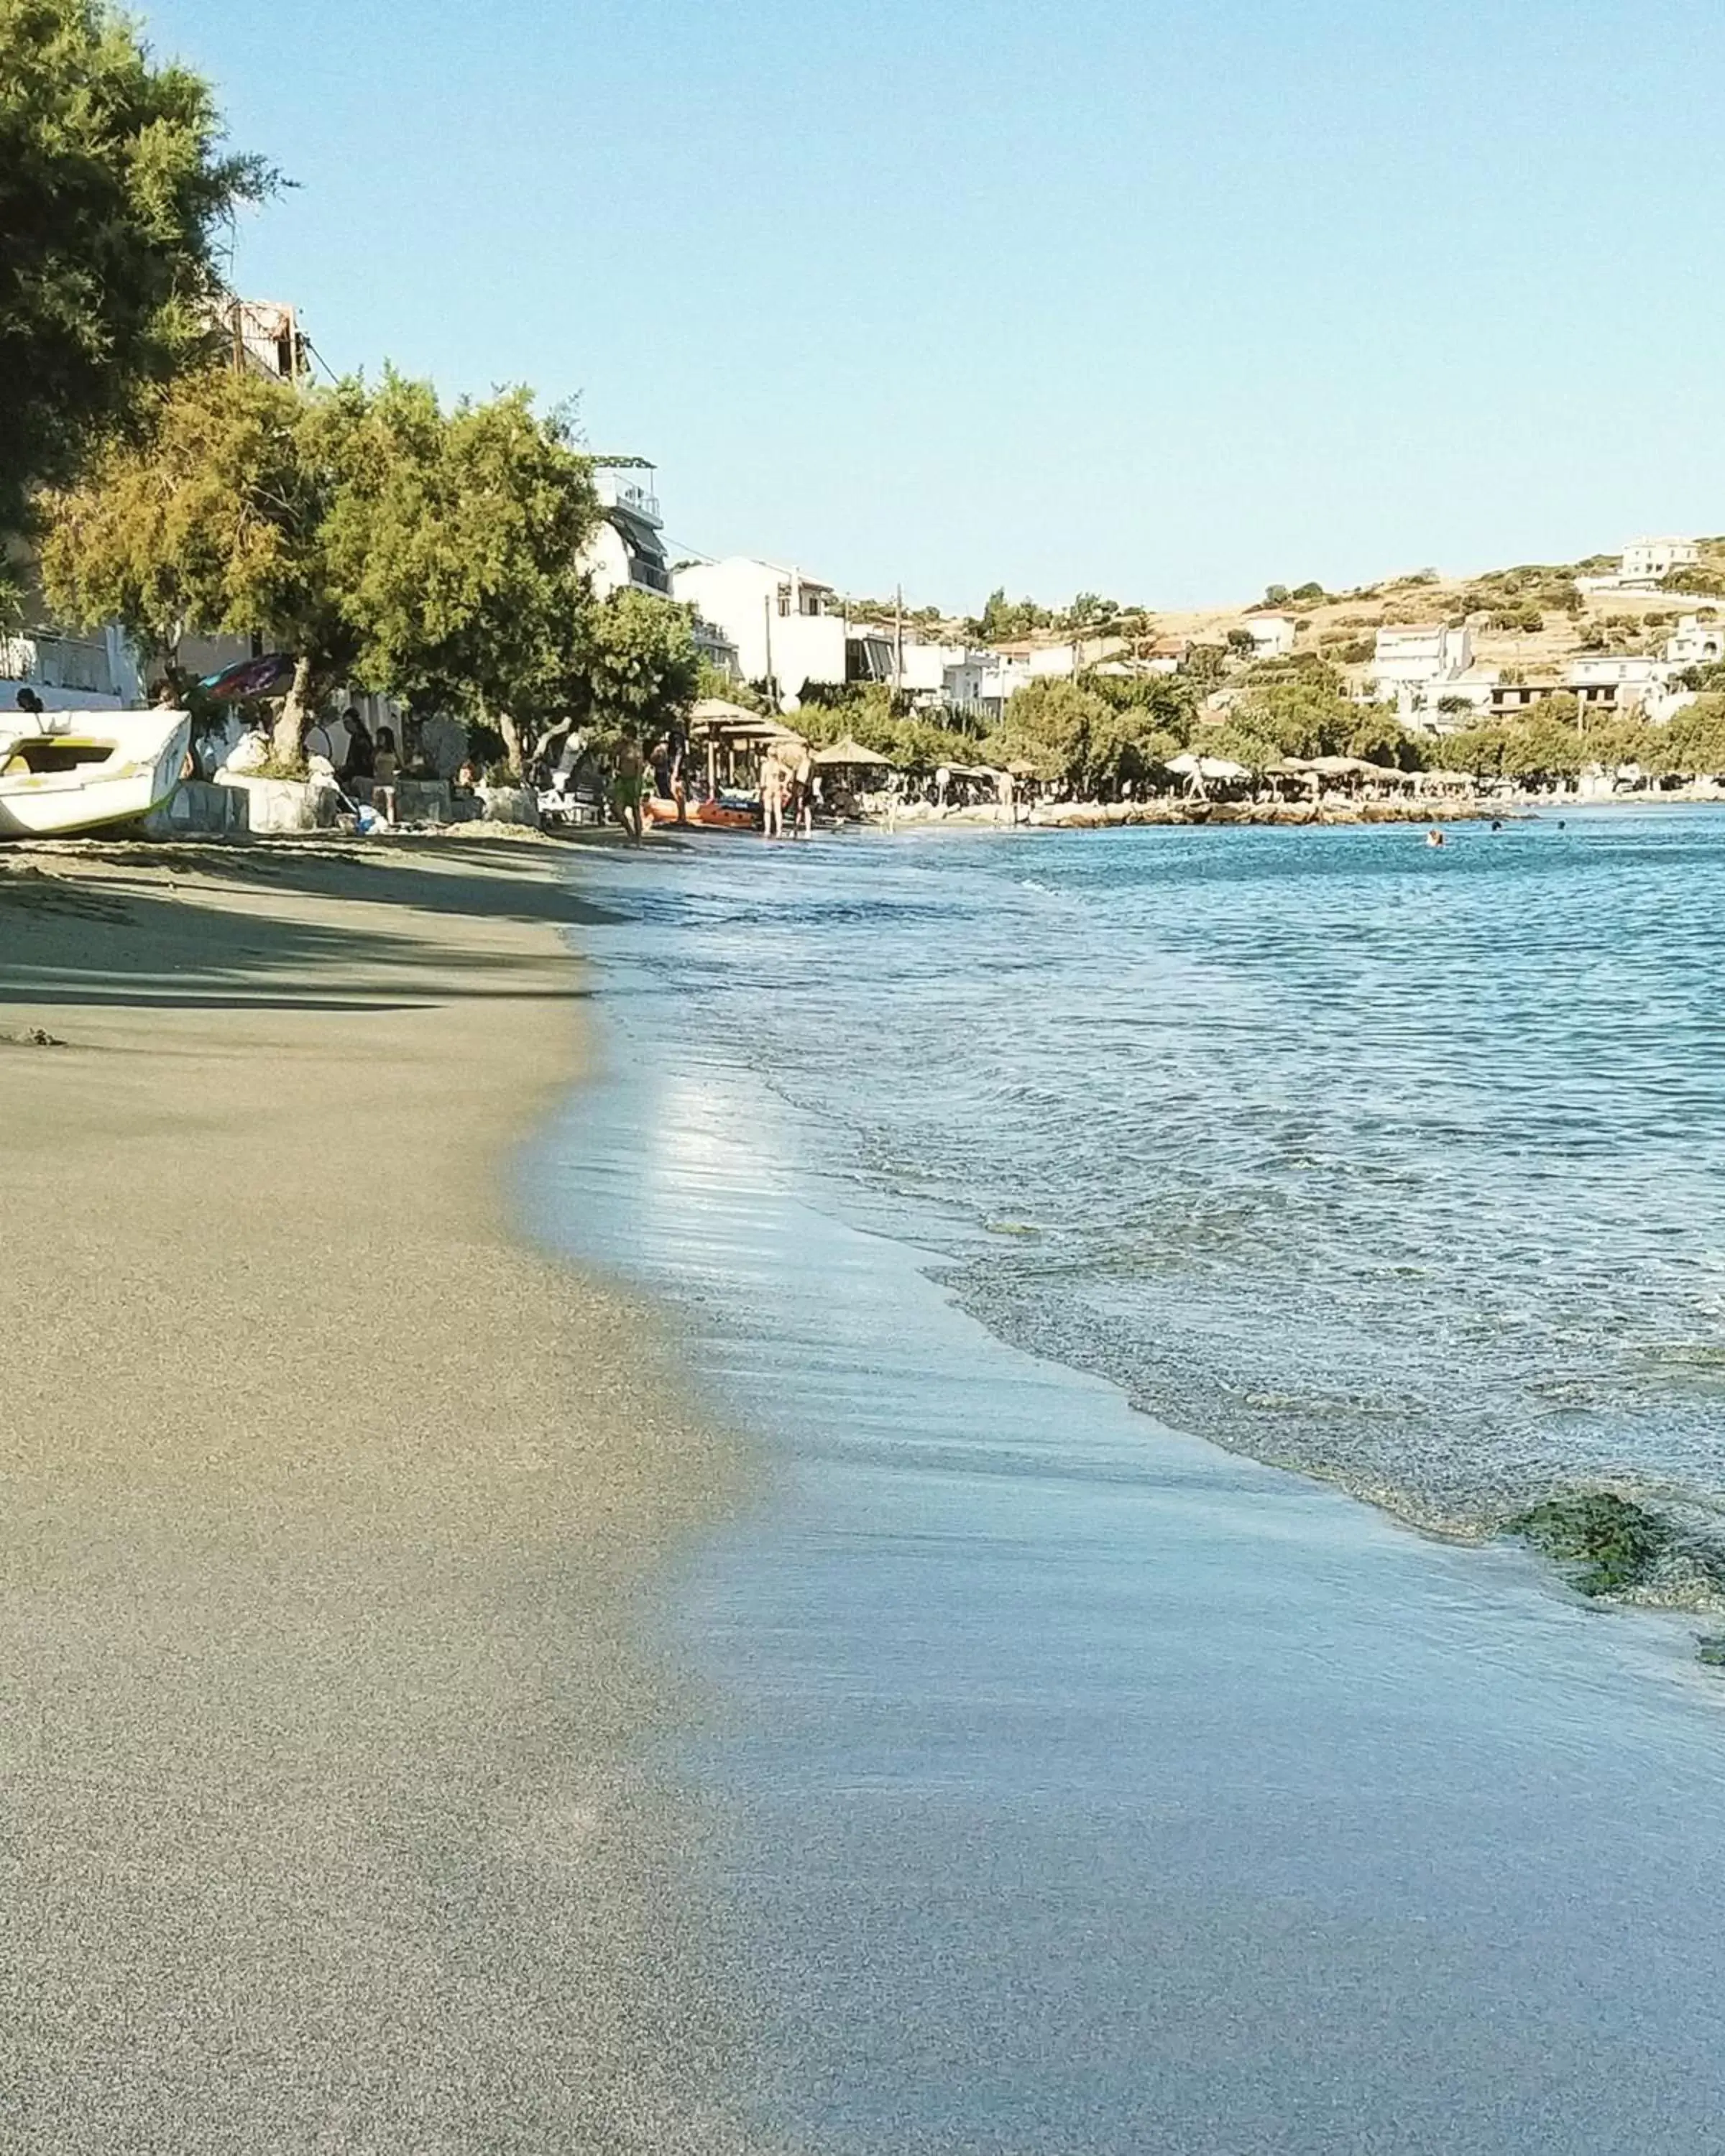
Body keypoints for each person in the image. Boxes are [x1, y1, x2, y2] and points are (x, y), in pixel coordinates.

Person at [611, 732, 645, 844]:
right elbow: (612, 756)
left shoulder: (637, 750)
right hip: (622, 781)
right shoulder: (620, 747)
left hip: (633, 781)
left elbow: (640, 769)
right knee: (617, 809)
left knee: (636, 810)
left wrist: (638, 785)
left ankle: (638, 838)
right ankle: (630, 831)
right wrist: (614, 769)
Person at [371, 724, 400, 825]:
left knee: (389, 804)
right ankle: (376, 822)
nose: (379, 740)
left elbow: (399, 766)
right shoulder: (376, 752)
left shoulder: (393, 752)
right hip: (378, 781)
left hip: (389, 781)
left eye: (381, 737)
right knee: (376, 804)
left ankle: (391, 822)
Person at [758, 743, 786, 839]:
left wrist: (761, 790)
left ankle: (767, 830)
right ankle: (779, 831)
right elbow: (790, 772)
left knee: (767, 810)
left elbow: (762, 781)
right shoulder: (778, 765)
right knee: (778, 811)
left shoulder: (765, 766)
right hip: (777, 786)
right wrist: (784, 783)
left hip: (768, 787)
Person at [788, 738, 815, 838]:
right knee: (799, 809)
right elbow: (794, 774)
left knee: (804, 808)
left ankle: (805, 830)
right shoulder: (798, 763)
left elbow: (813, 776)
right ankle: (796, 829)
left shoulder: (811, 763)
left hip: (805, 786)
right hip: (798, 786)